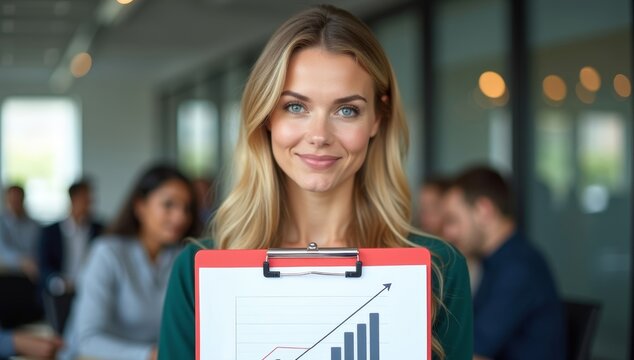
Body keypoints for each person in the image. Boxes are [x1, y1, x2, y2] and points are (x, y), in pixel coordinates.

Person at [159, 5, 472, 360]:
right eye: (296, 107)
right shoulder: (199, 268)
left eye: (346, 110)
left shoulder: (438, 269)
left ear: (377, 118)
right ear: (266, 117)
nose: (319, 135)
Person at [61, 164, 200, 360]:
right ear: (140, 206)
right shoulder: (107, 253)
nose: (180, 217)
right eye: (169, 205)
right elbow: (87, 342)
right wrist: (153, 355)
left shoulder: (182, 258)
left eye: (187, 208)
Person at [441, 165, 565, 360]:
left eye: (453, 220)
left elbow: (471, 353)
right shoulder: (497, 262)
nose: (448, 233)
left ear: (484, 210)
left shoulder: (518, 267)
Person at [38, 179, 104, 294]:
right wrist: (59, 283)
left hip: (90, 290)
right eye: (86, 198)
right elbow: (44, 267)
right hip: (60, 292)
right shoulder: (51, 231)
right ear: (74, 199)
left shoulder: (99, 230)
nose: (90, 202)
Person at [0, 185, 41, 280]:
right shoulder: (1, 223)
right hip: (8, 274)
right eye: (12, 200)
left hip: (32, 271)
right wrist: (23, 261)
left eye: (18, 200)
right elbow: (3, 250)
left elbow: (38, 247)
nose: (15, 203)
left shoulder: (34, 225)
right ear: (7, 200)